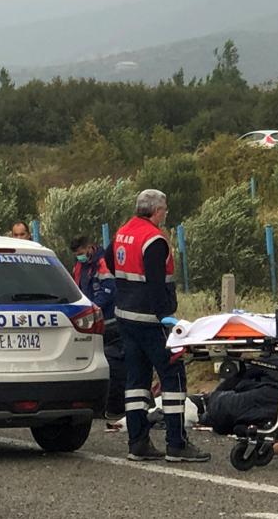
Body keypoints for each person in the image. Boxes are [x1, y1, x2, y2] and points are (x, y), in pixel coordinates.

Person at [112, 189, 209, 463]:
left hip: (126, 317)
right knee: (173, 375)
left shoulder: (124, 231)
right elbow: (156, 282)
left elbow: (111, 261)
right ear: (156, 210)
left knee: (136, 382)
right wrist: (165, 316)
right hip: (151, 321)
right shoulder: (153, 239)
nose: (166, 213)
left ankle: (138, 442)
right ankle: (176, 443)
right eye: (164, 209)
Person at [69, 236, 124, 420]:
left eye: (82, 254)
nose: (80, 257)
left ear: (90, 248)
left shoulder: (102, 263)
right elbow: (76, 289)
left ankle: (112, 404)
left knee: (110, 360)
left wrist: (91, 308)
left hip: (108, 321)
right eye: (77, 255)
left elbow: (109, 291)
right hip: (89, 321)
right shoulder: (79, 266)